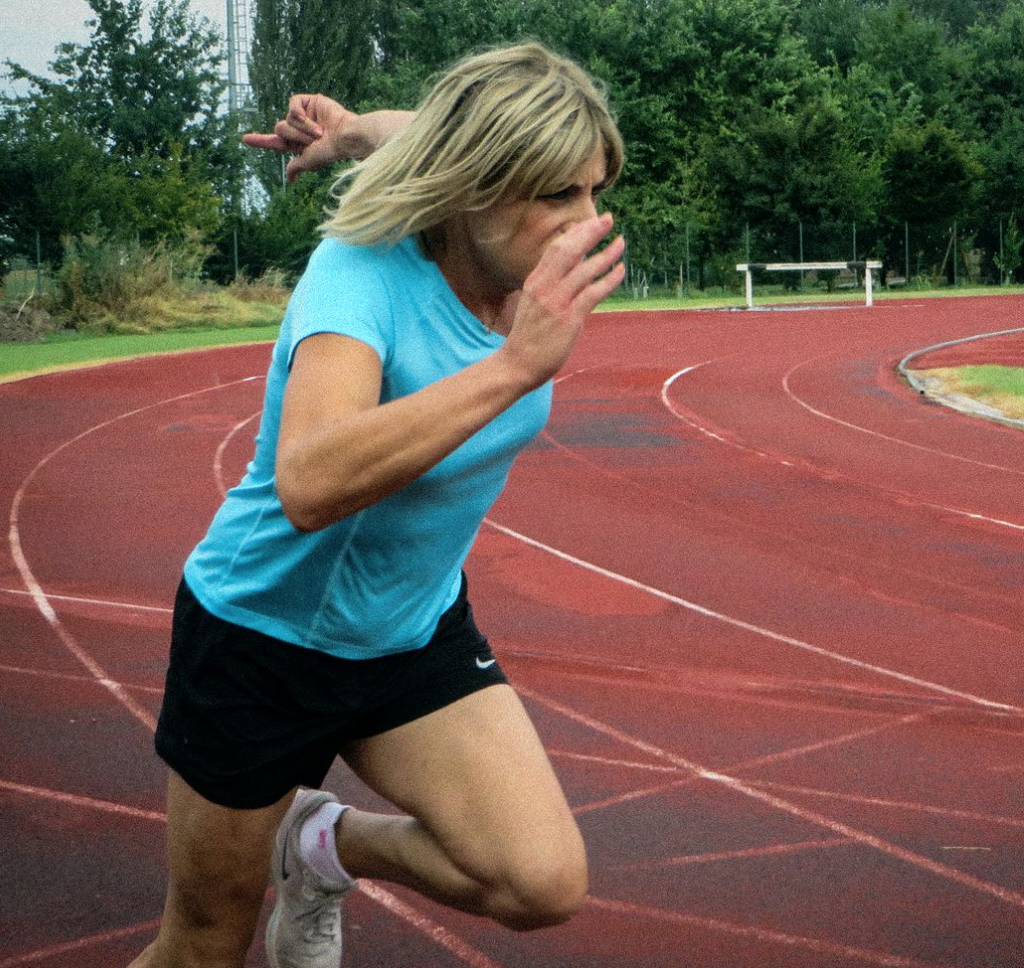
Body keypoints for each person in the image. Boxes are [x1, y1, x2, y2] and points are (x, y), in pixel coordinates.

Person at [131, 42, 625, 968]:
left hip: (407, 635)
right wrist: (517, 364)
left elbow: (421, 135)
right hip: (260, 640)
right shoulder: (359, 274)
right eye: (559, 195)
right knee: (202, 948)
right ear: (474, 186)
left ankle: (318, 845)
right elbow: (310, 482)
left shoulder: (509, 259)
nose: (585, 223)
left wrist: (355, 129)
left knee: (542, 884)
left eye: (593, 191)